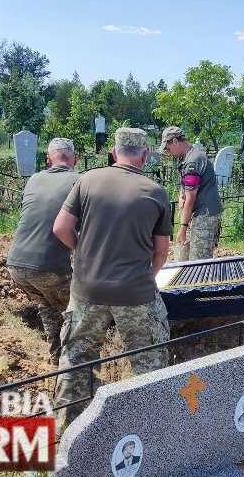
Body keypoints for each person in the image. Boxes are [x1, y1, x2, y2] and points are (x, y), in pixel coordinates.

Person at [53, 127, 171, 430]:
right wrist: (148, 276)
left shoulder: (87, 180)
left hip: (87, 288)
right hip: (135, 291)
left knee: (76, 357)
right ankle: (149, 433)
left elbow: (61, 228)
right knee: (149, 361)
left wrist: (85, 254)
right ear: (144, 156)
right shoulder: (155, 192)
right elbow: (161, 251)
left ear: (114, 152)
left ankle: (67, 435)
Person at [6, 138, 79, 365]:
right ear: (74, 159)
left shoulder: (34, 179)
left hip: (17, 265)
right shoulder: (80, 180)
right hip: (52, 267)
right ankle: (74, 368)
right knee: (76, 312)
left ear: (48, 159)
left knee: (47, 306)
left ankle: (55, 358)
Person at [159, 126, 222, 261]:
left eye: (168, 148)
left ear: (175, 141)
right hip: (196, 214)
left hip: (205, 215)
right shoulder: (188, 157)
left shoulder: (193, 160)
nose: (168, 152)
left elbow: (190, 198)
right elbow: (186, 188)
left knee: (198, 261)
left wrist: (182, 228)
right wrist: (181, 195)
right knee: (185, 257)